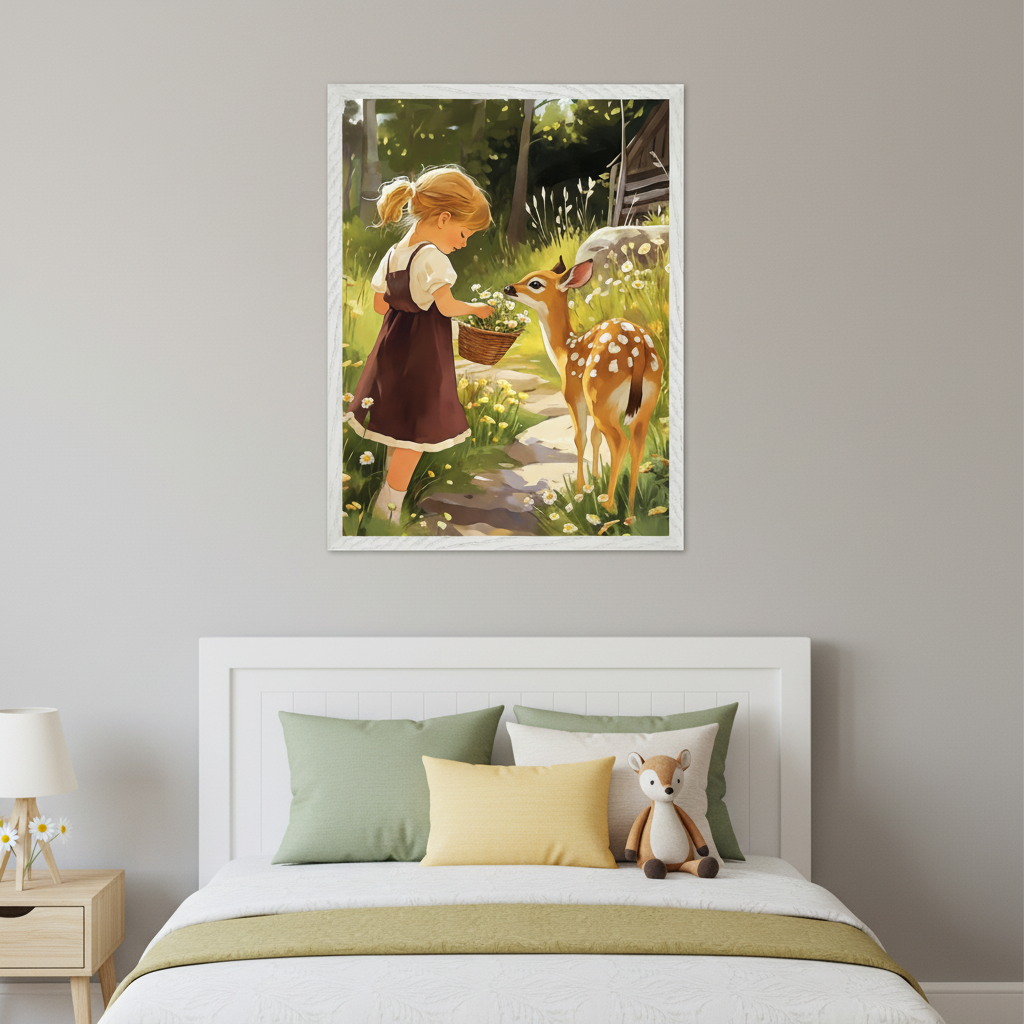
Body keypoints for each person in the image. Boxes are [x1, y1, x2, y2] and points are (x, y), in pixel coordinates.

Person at [349, 165, 495, 522]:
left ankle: (386, 504)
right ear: (444, 218)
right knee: (415, 436)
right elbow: (445, 306)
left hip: (392, 348)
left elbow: (379, 305)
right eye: (464, 233)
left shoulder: (393, 254)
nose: (463, 243)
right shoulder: (433, 258)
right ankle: (388, 510)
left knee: (396, 425)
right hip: (423, 355)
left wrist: (405, 305)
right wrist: (476, 309)